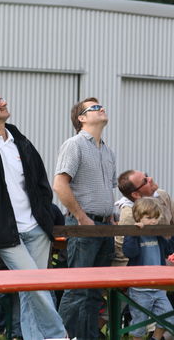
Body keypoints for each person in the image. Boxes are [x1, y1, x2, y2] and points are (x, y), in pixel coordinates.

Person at [0, 88, 67, 340]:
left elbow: (40, 180)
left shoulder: (19, 139)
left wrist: (44, 213)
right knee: (37, 286)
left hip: (35, 227)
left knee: (32, 291)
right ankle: (59, 334)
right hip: (5, 231)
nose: (3, 102)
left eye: (2, 98)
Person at [54, 97, 116, 339]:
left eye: (101, 106)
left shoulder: (108, 151)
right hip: (84, 224)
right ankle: (61, 337)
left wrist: (110, 218)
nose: (102, 109)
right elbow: (60, 185)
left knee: (94, 291)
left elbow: (107, 189)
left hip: (104, 226)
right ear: (81, 118)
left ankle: (87, 336)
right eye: (95, 108)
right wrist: (81, 217)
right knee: (78, 288)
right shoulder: (74, 144)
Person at [122, 198, 174, 340]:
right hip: (140, 289)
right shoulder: (133, 235)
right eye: (149, 218)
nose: (153, 222)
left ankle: (155, 338)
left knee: (169, 317)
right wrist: (135, 233)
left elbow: (168, 249)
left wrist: (168, 234)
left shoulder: (157, 236)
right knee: (139, 323)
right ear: (138, 218)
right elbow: (130, 253)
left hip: (159, 287)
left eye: (156, 218)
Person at [115, 170, 174, 266]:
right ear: (136, 194)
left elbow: (168, 248)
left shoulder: (162, 196)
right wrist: (134, 233)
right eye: (145, 181)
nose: (150, 179)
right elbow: (127, 253)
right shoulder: (129, 216)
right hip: (139, 270)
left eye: (147, 176)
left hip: (159, 267)